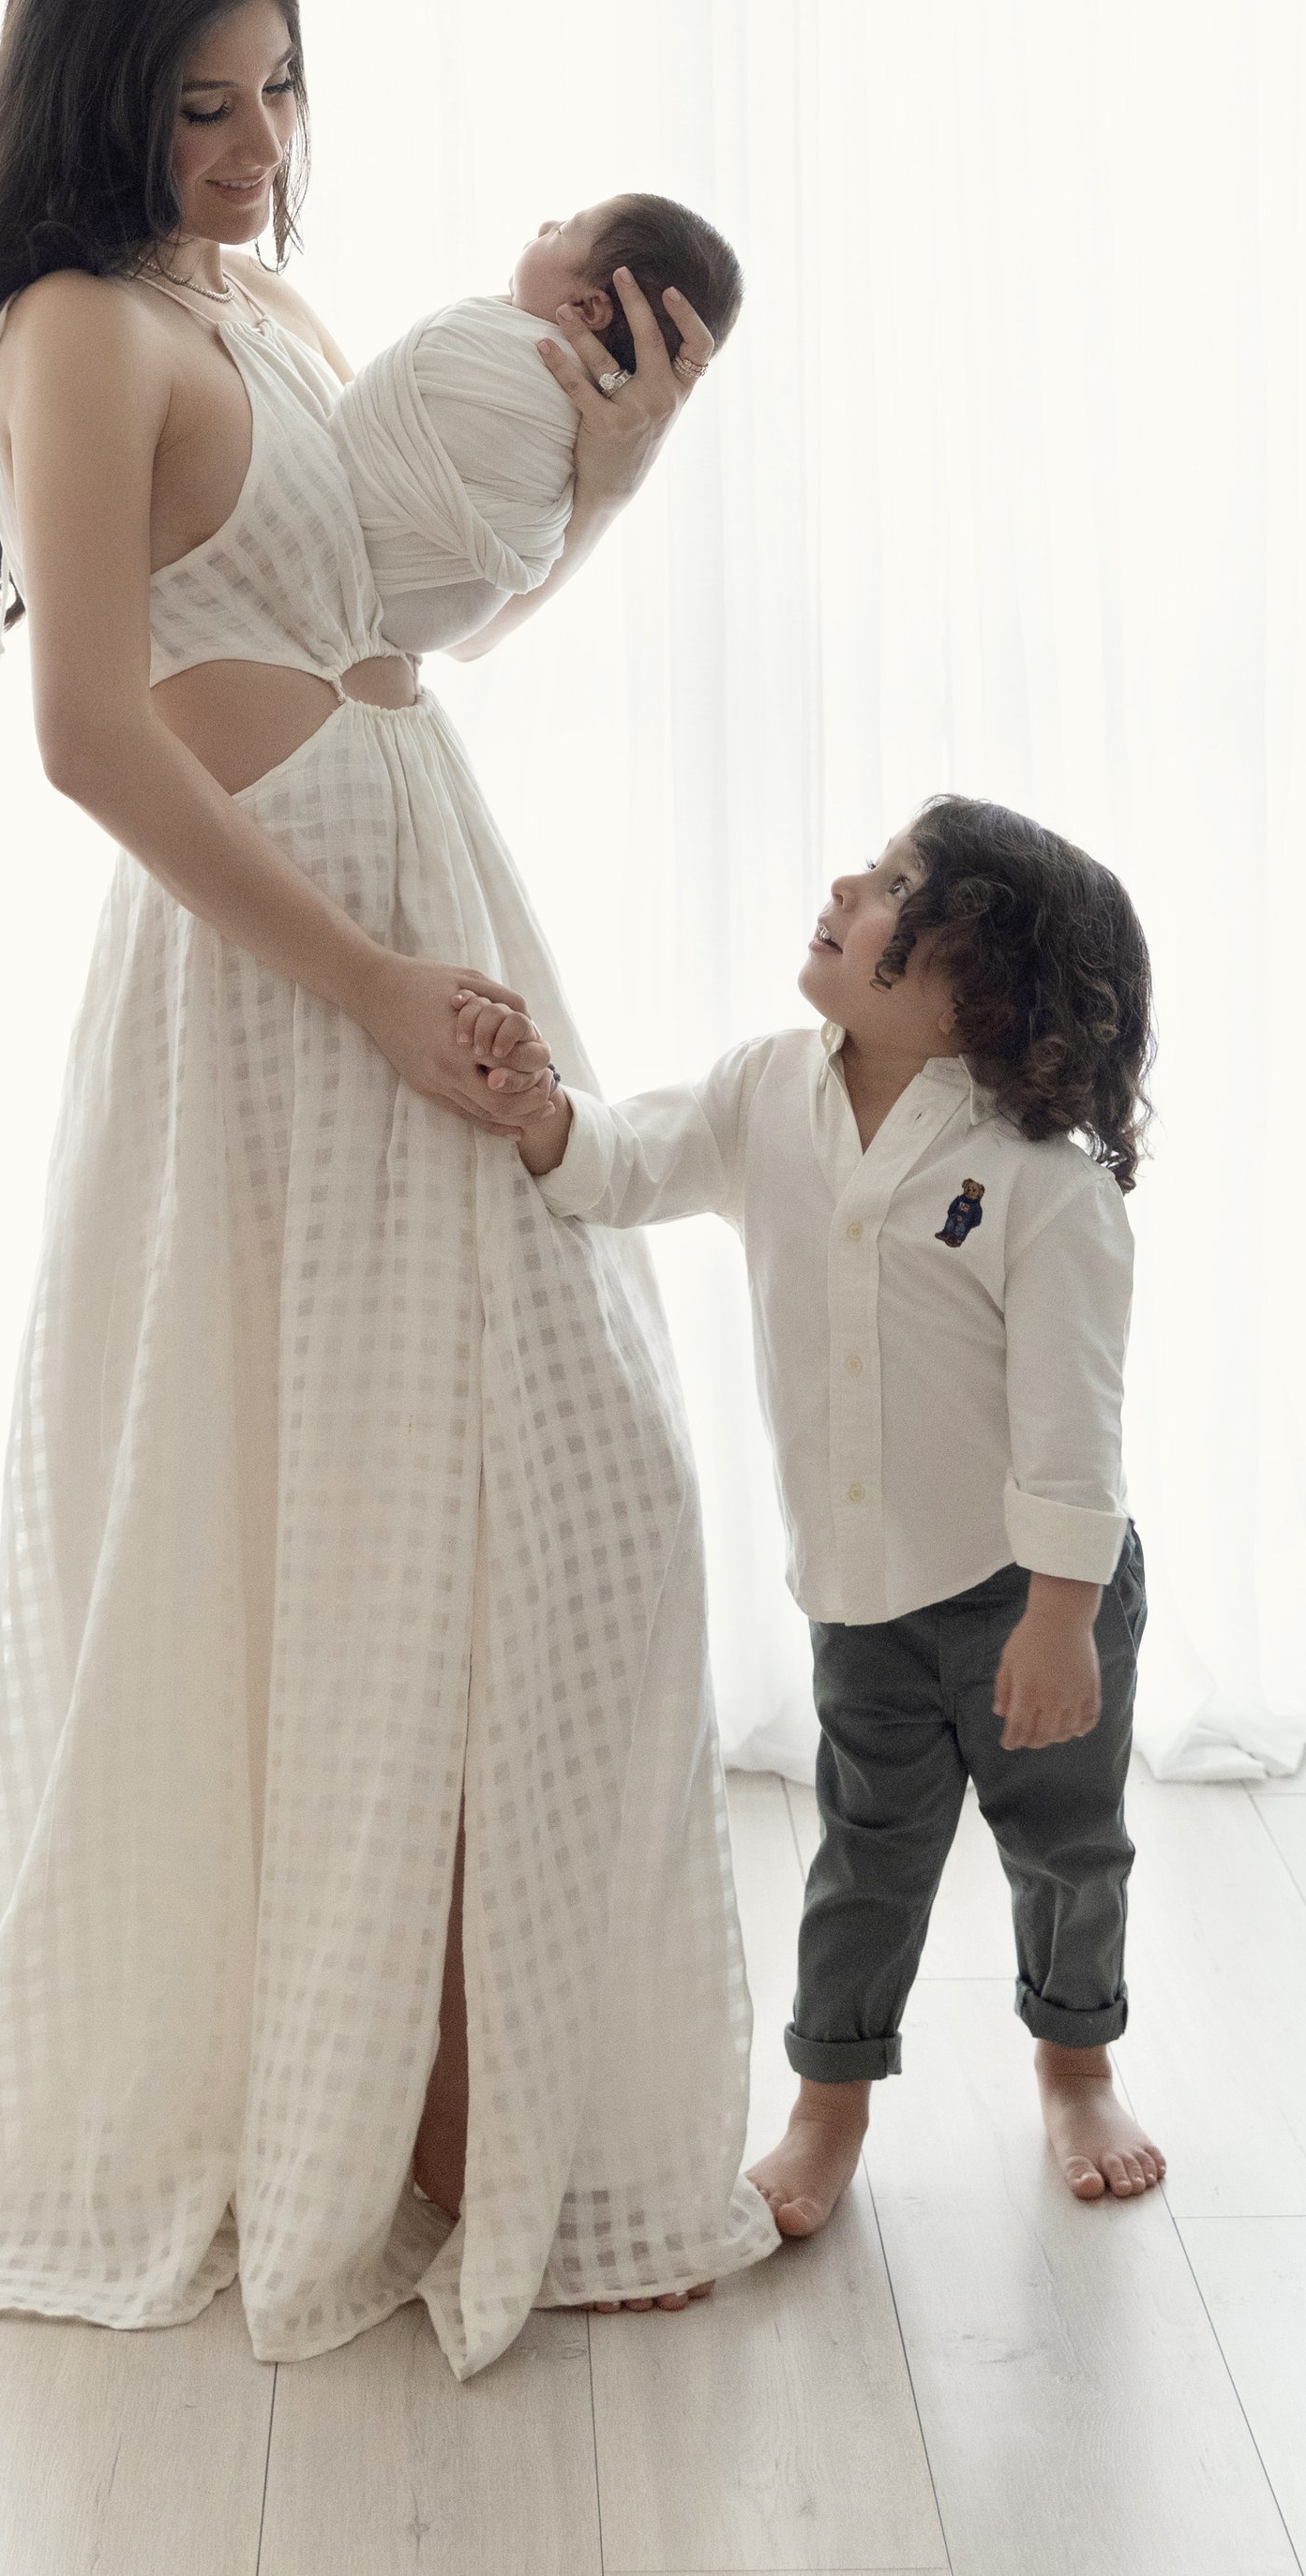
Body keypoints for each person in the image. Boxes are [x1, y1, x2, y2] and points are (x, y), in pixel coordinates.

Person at [0, 0, 777, 2380]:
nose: (249, 143)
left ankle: (494, 2092)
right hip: (286, 993)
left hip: (421, 933)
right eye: (200, 100)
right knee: (359, 1517)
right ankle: (418, 2112)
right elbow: (91, 728)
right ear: (99, 96)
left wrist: (610, 488)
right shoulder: (75, 327)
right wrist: (369, 989)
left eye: (279, 90)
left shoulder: (268, 309)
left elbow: (379, 646)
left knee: (573, 1500)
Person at [463, 794, 1167, 2219]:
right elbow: (627, 1161)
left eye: (899, 883)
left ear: (982, 987)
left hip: (1029, 1598)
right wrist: (542, 1116)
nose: (848, 883)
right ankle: (828, 2106)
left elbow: (1071, 1423)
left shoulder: (1041, 1186)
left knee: (1067, 1845)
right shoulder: (766, 1091)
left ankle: (1076, 2062)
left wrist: (1059, 1618)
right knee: (865, 1856)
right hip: (859, 1596)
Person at [326, 195, 743, 652]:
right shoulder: (587, 408)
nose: (547, 223)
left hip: (368, 604)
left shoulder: (485, 341)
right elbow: (467, 643)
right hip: (437, 622)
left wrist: (609, 491)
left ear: (588, 309)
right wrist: (606, 493)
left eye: (564, 230)